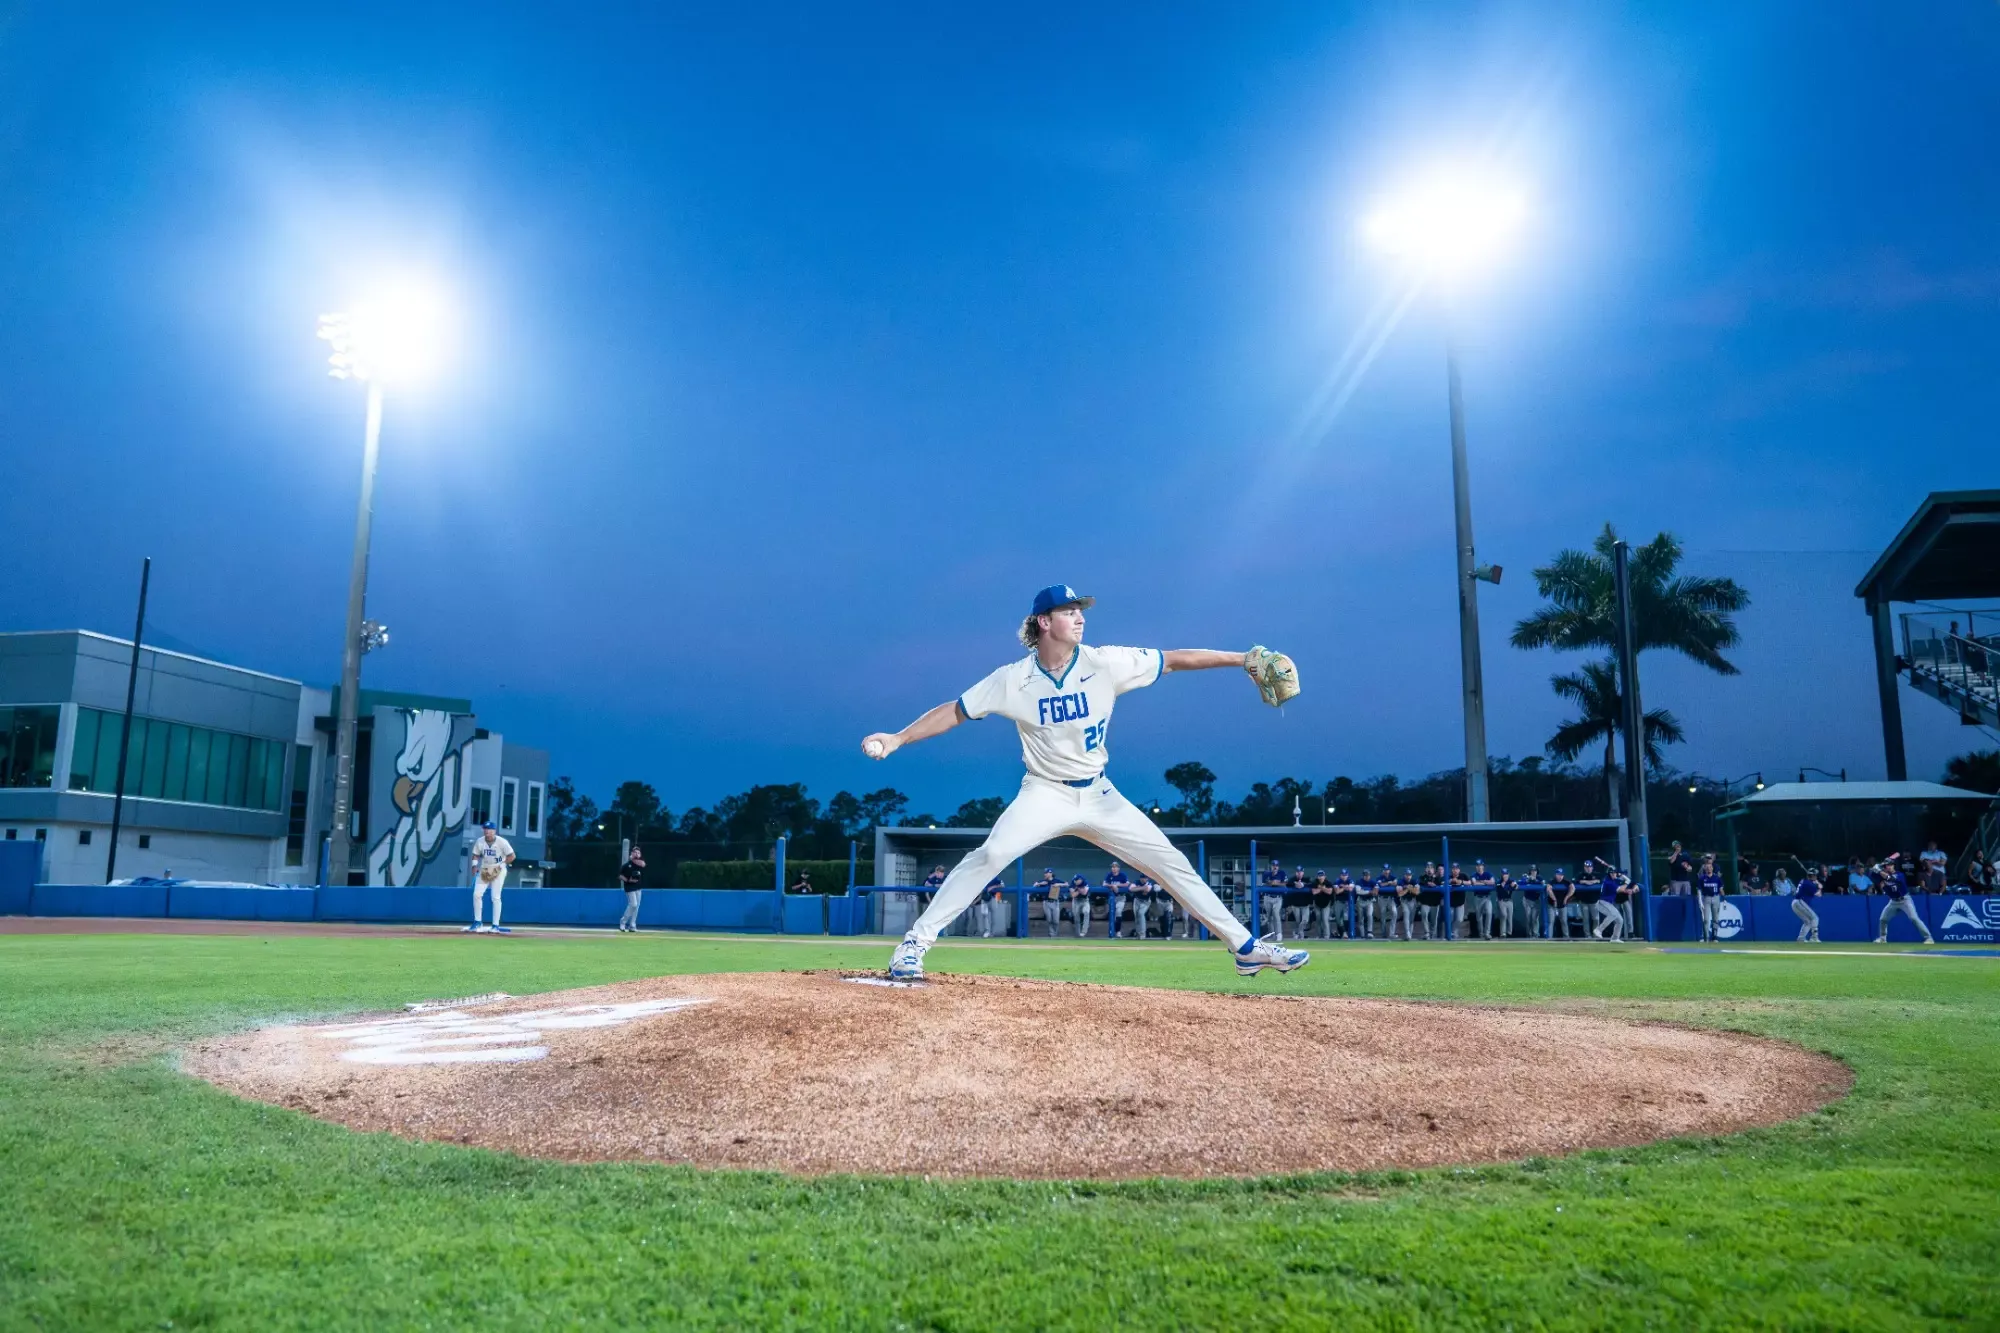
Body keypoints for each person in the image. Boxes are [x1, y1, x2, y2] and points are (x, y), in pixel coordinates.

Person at [863, 586, 1307, 980]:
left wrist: (1242, 659)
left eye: (1081, 610)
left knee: (1172, 863)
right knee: (992, 853)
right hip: (1045, 793)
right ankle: (915, 944)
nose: (1080, 617)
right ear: (1043, 622)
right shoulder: (1012, 679)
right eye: (1069, 610)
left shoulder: (1105, 662)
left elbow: (1172, 660)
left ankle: (1247, 950)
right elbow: (956, 710)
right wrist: (898, 737)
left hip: (1099, 794)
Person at [1873, 855, 1935, 945]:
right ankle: (1882, 938)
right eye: (1887, 865)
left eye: (1890, 865)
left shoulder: (1900, 875)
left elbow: (1890, 878)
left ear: (1894, 865)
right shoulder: (1881, 875)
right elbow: (1872, 875)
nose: (1889, 867)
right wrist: (1874, 868)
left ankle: (1929, 938)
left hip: (1905, 900)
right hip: (1893, 901)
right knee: (1883, 919)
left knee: (1914, 918)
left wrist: (1879, 871)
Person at [466, 821, 515, 934]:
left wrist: (502, 865)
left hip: (498, 868)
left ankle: (495, 925)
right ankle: (478, 922)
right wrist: (474, 865)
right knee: (477, 894)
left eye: (489, 829)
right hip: (486, 868)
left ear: (494, 831)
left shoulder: (502, 842)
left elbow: (512, 856)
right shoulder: (480, 841)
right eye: (485, 829)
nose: (487, 831)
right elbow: (476, 854)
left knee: (495, 897)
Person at [1589, 859, 1627, 940]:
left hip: (1608, 903)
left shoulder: (1614, 880)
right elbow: (1621, 889)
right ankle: (1598, 930)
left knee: (1620, 920)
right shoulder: (1608, 882)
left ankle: (1615, 938)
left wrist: (1623, 876)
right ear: (1609, 874)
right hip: (1602, 903)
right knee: (1613, 914)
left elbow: (1623, 880)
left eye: (1614, 873)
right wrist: (1627, 882)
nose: (1613, 874)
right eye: (1612, 873)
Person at [1696, 856, 1725, 943]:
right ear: (1705, 869)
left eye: (1710, 867)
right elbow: (1699, 890)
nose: (1709, 869)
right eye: (1707, 867)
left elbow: (1721, 889)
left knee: (1715, 918)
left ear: (1712, 868)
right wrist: (1700, 900)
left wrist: (1724, 898)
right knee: (1706, 919)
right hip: (1706, 898)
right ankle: (1706, 938)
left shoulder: (1717, 878)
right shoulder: (1702, 878)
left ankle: (1715, 937)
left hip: (1715, 898)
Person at [617, 844, 646, 933]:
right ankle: (623, 922)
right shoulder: (626, 865)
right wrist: (628, 880)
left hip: (638, 887)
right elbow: (620, 876)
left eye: (638, 852)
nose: (637, 854)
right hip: (629, 887)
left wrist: (634, 858)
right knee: (633, 904)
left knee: (636, 907)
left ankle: (632, 926)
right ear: (631, 853)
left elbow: (643, 864)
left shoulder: (640, 863)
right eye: (635, 852)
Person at [1793, 865, 1824, 943]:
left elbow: (1809, 883)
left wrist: (1814, 883)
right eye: (1815, 875)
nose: (1816, 876)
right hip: (1800, 902)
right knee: (1815, 918)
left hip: (1795, 903)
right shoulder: (1809, 884)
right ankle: (1814, 937)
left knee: (1808, 921)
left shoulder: (1803, 881)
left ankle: (1801, 938)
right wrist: (1819, 887)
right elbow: (1819, 894)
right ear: (1812, 876)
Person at [1103, 861, 1132, 938]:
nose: (1114, 868)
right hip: (1112, 898)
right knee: (1112, 914)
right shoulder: (1109, 875)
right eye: (1112, 867)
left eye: (1115, 867)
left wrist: (1117, 885)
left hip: (1121, 897)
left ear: (1118, 868)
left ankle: (1118, 931)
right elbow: (1104, 884)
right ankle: (1111, 931)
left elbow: (1127, 884)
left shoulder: (1122, 875)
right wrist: (1112, 885)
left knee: (1118, 913)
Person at [1469, 859, 1496, 940]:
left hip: (1487, 897)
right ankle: (1481, 934)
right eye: (1478, 866)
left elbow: (1493, 882)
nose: (1479, 867)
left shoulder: (1488, 874)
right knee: (1479, 917)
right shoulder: (1474, 874)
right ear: (1476, 867)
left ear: (1483, 866)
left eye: (1481, 865)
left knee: (1489, 913)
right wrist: (1485, 883)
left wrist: (1482, 881)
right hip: (1478, 898)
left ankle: (1487, 933)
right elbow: (1474, 883)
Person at [1547, 868, 1574, 939]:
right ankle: (1549, 938)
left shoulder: (1566, 881)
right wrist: (1554, 899)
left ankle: (1566, 937)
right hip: (1552, 905)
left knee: (1564, 922)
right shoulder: (1552, 881)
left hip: (1562, 904)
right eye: (1558, 874)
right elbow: (1548, 889)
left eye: (1561, 875)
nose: (1560, 876)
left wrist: (1566, 897)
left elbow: (1573, 888)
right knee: (1551, 922)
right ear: (1555, 875)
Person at [1035, 867, 1062, 937]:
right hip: (1046, 902)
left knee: (1056, 921)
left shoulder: (1056, 880)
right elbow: (1034, 885)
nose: (1045, 874)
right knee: (1049, 919)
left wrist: (1059, 884)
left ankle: (1055, 934)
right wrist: (1039, 884)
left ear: (1051, 873)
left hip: (1055, 902)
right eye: (1045, 873)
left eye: (1047, 873)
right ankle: (1051, 934)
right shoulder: (1043, 881)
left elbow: (1067, 884)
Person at [1068, 873, 1092, 938]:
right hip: (1076, 901)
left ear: (1080, 880)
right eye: (1075, 880)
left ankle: (1084, 932)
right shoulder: (1072, 883)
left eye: (1077, 880)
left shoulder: (1085, 882)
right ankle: (1078, 934)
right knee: (1076, 917)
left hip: (1085, 900)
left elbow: (1084, 893)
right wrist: (1080, 890)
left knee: (1086, 912)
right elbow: (1073, 895)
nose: (1075, 881)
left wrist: (1077, 889)